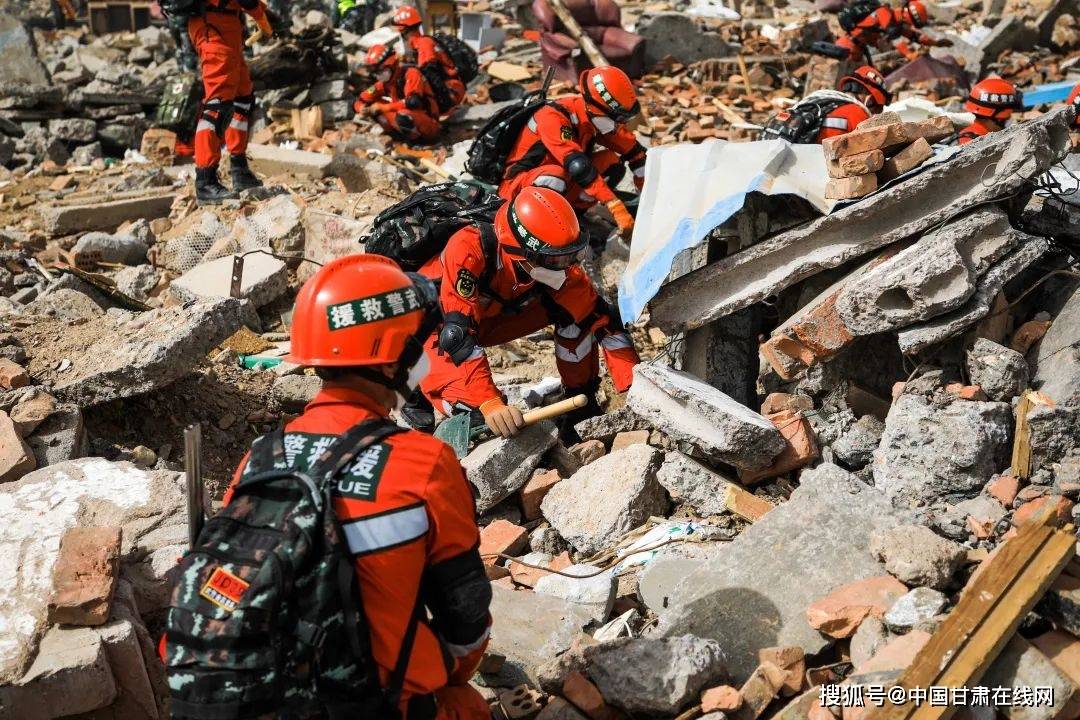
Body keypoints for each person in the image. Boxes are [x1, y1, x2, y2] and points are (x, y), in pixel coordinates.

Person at [223, 254, 493, 719]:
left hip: (250, 698)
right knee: (464, 705)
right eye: (417, 341)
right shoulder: (424, 464)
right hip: (364, 705)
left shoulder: (260, 457)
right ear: (392, 361)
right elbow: (465, 625)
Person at [415, 186, 639, 440]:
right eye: (556, 260)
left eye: (571, 255)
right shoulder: (468, 248)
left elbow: (604, 321)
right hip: (434, 328)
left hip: (489, 317)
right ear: (520, 253)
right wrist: (489, 402)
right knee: (475, 418)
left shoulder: (556, 269)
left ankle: (581, 407)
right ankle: (413, 386)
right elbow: (457, 336)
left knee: (577, 316)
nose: (566, 268)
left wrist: (635, 386)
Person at [498, 66, 647, 242]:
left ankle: (574, 215)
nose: (618, 125)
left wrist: (644, 184)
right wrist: (614, 205)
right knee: (556, 177)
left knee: (611, 162)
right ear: (597, 110)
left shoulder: (592, 117)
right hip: (520, 186)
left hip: (561, 183)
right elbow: (578, 166)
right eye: (618, 120)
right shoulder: (552, 117)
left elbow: (631, 148)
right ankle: (548, 232)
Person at [188, 0, 270, 204]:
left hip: (225, 24)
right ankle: (205, 180)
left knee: (243, 98)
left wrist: (262, 13)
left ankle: (239, 169)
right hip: (213, 26)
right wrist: (261, 18)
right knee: (217, 105)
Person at [761, 65, 890, 143]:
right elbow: (870, 146)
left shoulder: (826, 104)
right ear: (870, 98)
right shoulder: (856, 112)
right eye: (877, 107)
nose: (874, 114)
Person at [355, 43, 442, 143]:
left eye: (379, 71)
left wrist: (383, 107)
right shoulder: (383, 84)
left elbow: (413, 102)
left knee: (402, 114)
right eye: (375, 72)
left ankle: (419, 143)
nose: (377, 75)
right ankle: (398, 139)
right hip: (410, 120)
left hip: (429, 123)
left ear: (389, 65)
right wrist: (361, 108)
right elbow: (361, 98)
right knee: (375, 108)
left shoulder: (411, 73)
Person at [392, 5, 466, 111]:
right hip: (450, 87)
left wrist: (446, 104)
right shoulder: (421, 42)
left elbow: (430, 73)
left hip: (452, 90)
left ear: (403, 31)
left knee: (414, 75)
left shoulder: (423, 44)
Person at [836, 0, 951, 64]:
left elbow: (914, 36)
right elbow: (895, 37)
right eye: (912, 23)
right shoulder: (884, 13)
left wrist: (936, 43)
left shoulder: (894, 21)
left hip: (858, 50)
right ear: (908, 16)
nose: (910, 26)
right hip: (848, 47)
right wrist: (909, 54)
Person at [958, 76, 1019, 145]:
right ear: (998, 118)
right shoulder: (972, 143)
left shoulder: (970, 136)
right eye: (1007, 118)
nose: (1010, 119)